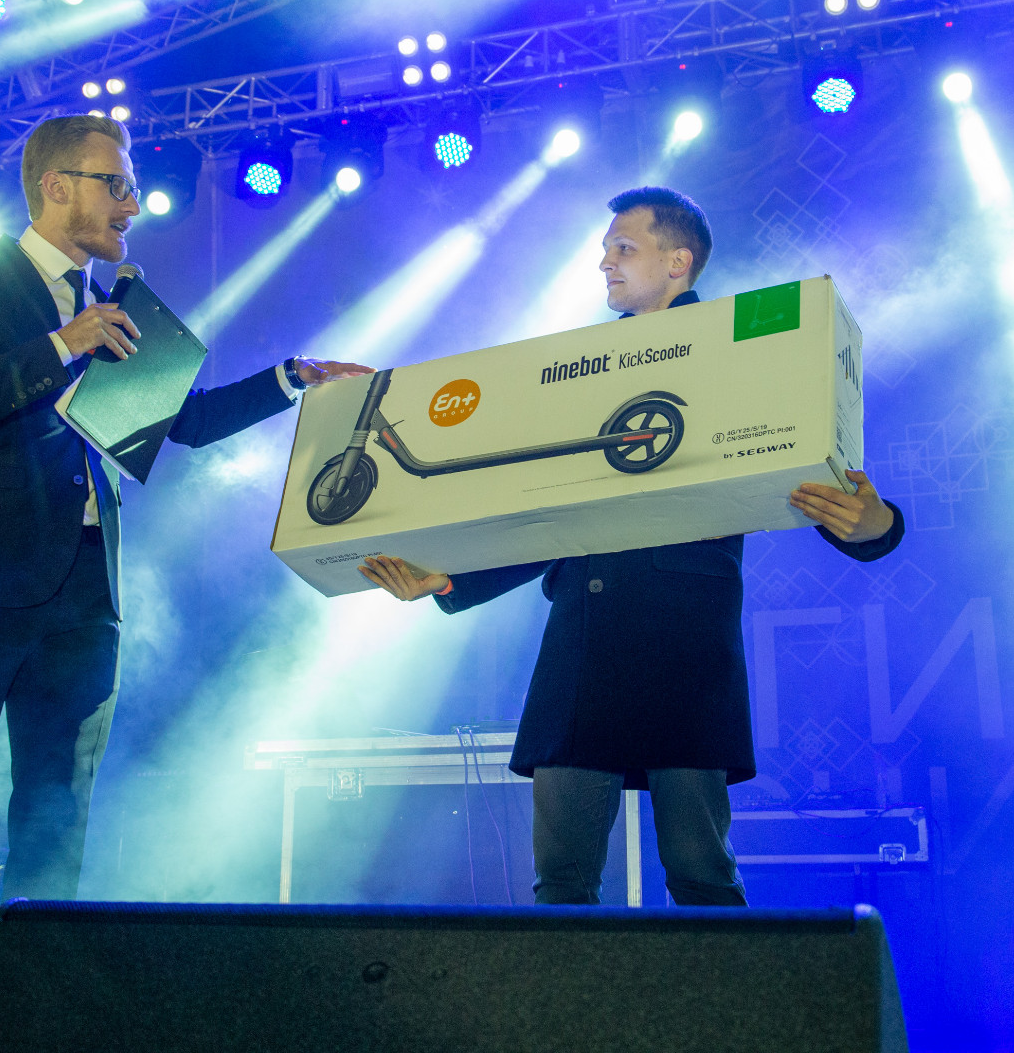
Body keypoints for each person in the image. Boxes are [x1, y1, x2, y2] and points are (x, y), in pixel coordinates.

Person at [0, 115, 370, 1053]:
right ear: (56, 187)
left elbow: (182, 424)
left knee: (53, 834)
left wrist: (290, 379)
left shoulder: (114, 303)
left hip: (84, 603)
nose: (132, 204)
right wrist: (61, 344)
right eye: (115, 184)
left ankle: (24, 1037)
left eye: (131, 187)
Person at [359, 186, 904, 907]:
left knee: (701, 872)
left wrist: (876, 525)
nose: (605, 263)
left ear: (678, 262)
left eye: (624, 247)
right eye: (605, 249)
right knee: (561, 878)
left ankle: (726, 988)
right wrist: (450, 577)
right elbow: (547, 512)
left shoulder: (743, 350)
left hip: (684, 642)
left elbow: (813, 468)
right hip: (582, 640)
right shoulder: (579, 368)